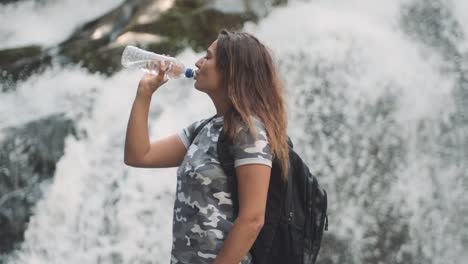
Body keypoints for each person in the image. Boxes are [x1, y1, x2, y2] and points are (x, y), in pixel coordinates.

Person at [124, 29, 289, 264]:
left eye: (208, 57)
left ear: (232, 70)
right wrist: (144, 94)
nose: (198, 62)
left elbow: (253, 219)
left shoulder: (250, 132)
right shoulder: (202, 130)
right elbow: (139, 155)